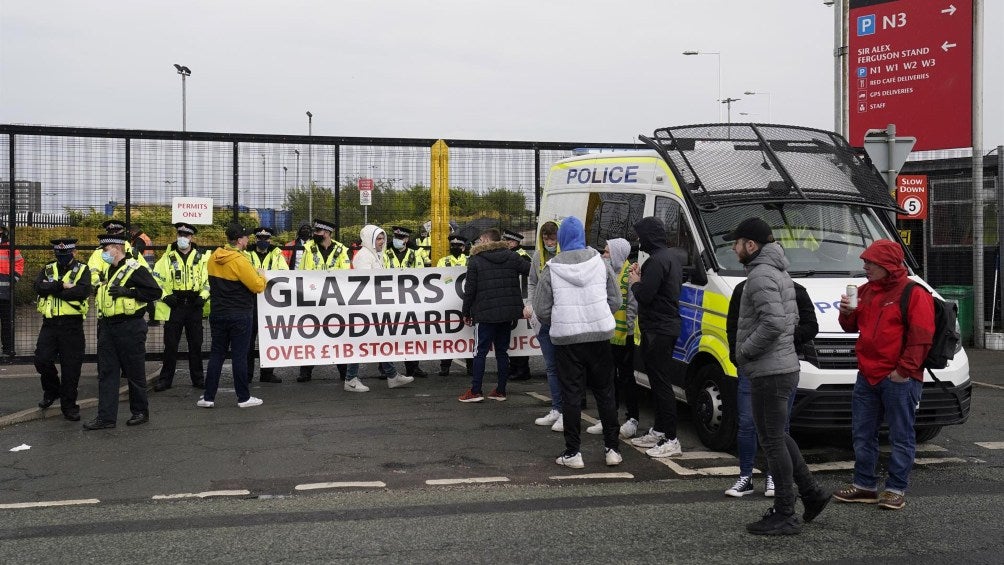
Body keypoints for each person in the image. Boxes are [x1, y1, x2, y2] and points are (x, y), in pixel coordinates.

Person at [724, 217, 830, 535]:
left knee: (771, 440)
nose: (734, 247)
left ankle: (785, 512)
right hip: (782, 366)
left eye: (737, 242)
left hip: (770, 369)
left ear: (751, 246)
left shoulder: (760, 277)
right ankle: (811, 494)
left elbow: (774, 323)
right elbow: (790, 319)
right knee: (779, 436)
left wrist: (744, 352)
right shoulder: (780, 272)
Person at [834, 239, 934, 511]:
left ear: (887, 265)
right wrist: (846, 314)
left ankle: (895, 489)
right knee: (862, 433)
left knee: (901, 435)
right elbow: (850, 327)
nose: (865, 266)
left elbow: (921, 337)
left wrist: (903, 371)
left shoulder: (914, 292)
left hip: (897, 378)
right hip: (868, 374)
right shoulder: (866, 291)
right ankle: (865, 486)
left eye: (870, 262)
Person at [532, 217, 622, 468]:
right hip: (600, 334)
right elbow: (616, 301)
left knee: (571, 394)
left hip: (566, 339)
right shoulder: (599, 262)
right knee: (605, 392)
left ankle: (573, 453)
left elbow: (541, 308)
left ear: (561, 240)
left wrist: (561, 319)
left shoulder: (552, 267)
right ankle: (612, 449)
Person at [724, 279, 818, 497]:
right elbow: (732, 325)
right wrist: (736, 356)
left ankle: (773, 477)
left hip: (781, 365)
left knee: (779, 426)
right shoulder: (743, 289)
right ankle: (745, 477)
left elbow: (811, 326)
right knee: (747, 423)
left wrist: (786, 338)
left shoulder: (796, 290)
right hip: (751, 366)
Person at [83, 232, 162, 430]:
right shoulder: (109, 270)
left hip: (130, 326)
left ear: (117, 248)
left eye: (106, 249)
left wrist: (129, 292)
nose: (103, 252)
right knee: (107, 373)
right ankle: (106, 418)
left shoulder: (136, 269)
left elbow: (155, 292)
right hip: (109, 327)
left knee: (135, 372)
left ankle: (140, 412)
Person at [628, 217, 685, 458]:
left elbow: (646, 295)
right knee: (659, 381)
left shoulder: (655, 261)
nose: (639, 241)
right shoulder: (671, 257)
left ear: (649, 236)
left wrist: (635, 283)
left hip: (658, 329)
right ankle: (660, 430)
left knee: (661, 385)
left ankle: (671, 439)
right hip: (666, 327)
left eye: (641, 236)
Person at [198, 223, 267, 409]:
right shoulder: (240, 260)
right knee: (239, 356)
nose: (248, 240)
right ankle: (243, 398)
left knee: (217, 354)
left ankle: (208, 397)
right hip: (239, 314)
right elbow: (257, 286)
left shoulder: (213, 258)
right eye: (246, 237)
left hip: (218, 313)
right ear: (239, 240)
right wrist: (262, 275)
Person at [458, 228, 530, 403]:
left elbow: (470, 290)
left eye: (481, 240)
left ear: (486, 241)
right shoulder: (512, 257)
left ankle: (475, 391)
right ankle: (500, 390)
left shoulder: (476, 260)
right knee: (502, 352)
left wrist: (465, 312)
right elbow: (531, 270)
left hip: (484, 314)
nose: (479, 243)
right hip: (507, 314)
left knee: (479, 352)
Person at [343, 224, 414, 391]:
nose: (382, 241)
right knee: (360, 342)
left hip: (374, 307)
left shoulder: (375, 255)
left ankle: (391, 375)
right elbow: (365, 284)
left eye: (383, 238)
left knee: (379, 340)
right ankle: (351, 379)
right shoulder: (364, 256)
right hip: (365, 308)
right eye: (378, 238)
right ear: (370, 239)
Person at [586, 238, 639, 438]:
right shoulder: (604, 273)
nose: (603, 255)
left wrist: (629, 331)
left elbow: (633, 307)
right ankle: (608, 417)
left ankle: (632, 419)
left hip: (624, 335)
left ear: (616, 255)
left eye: (607, 252)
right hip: (606, 333)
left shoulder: (629, 273)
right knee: (608, 379)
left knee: (626, 378)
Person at [34, 238, 91, 421]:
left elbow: (82, 292)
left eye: (65, 255)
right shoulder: (48, 268)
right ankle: (52, 390)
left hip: (71, 325)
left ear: (73, 253)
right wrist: (61, 285)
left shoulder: (82, 269)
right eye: (59, 255)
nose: (62, 258)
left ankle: (69, 406)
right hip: (49, 324)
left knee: (71, 368)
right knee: (41, 360)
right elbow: (37, 286)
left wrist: (51, 289)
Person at [152, 222, 209, 392]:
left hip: (194, 305)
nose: (182, 238)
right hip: (174, 305)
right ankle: (165, 380)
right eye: (180, 235)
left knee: (196, 344)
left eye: (186, 236)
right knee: (170, 345)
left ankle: (198, 379)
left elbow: (208, 281)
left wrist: (203, 297)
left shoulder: (201, 258)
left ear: (192, 238)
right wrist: (165, 296)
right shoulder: (167, 258)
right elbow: (156, 280)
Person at [297, 219, 349, 383]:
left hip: (336, 300)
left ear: (326, 233)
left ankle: (344, 372)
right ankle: (305, 372)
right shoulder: (309, 249)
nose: (314, 234)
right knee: (310, 335)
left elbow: (346, 274)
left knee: (339, 335)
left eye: (318, 232)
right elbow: (303, 273)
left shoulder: (341, 250)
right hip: (314, 299)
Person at [526, 220, 564, 431]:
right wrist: (531, 304)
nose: (549, 242)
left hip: (561, 318)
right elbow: (532, 281)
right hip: (543, 319)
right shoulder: (538, 257)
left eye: (552, 238)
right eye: (546, 238)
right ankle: (557, 408)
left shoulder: (564, 256)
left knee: (564, 366)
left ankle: (566, 410)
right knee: (550, 366)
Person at [383, 226, 428, 379]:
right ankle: (385, 369)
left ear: (407, 240)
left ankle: (413, 367)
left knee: (411, 334)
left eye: (401, 238)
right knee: (388, 334)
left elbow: (421, 275)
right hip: (388, 300)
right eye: (396, 237)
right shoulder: (385, 253)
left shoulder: (415, 254)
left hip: (410, 300)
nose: (397, 240)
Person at [245, 226, 288, 384]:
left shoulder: (277, 254)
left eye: (266, 239)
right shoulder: (246, 254)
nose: (263, 241)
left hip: (270, 302)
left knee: (269, 338)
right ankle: (247, 374)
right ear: (255, 239)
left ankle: (267, 374)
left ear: (270, 240)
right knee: (248, 340)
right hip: (251, 301)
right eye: (260, 238)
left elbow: (284, 273)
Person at [436, 234, 469, 377]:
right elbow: (441, 276)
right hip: (448, 301)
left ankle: (471, 365)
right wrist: (453, 283)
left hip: (466, 301)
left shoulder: (469, 260)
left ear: (463, 247)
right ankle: (445, 366)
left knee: (468, 334)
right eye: (452, 245)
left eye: (458, 245)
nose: (455, 247)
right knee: (448, 334)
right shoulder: (443, 261)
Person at [502, 228, 532, 381]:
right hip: (515, 299)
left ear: (513, 242)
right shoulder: (516, 255)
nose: (504, 243)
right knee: (514, 336)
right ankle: (514, 367)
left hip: (522, 300)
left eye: (507, 241)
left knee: (520, 335)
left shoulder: (521, 257)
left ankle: (521, 369)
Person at [0, 224, 24, 359]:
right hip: (6, 291)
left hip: (6, 292)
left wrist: (13, 279)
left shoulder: (10, 246)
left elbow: (19, 262)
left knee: (7, 323)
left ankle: (8, 350)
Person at [129, 223, 158, 326]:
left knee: (143, 292)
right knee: (145, 292)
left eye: (130, 232)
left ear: (133, 231)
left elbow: (136, 255)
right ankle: (154, 317)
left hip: (142, 269)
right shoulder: (144, 237)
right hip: (148, 267)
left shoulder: (139, 240)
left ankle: (154, 317)